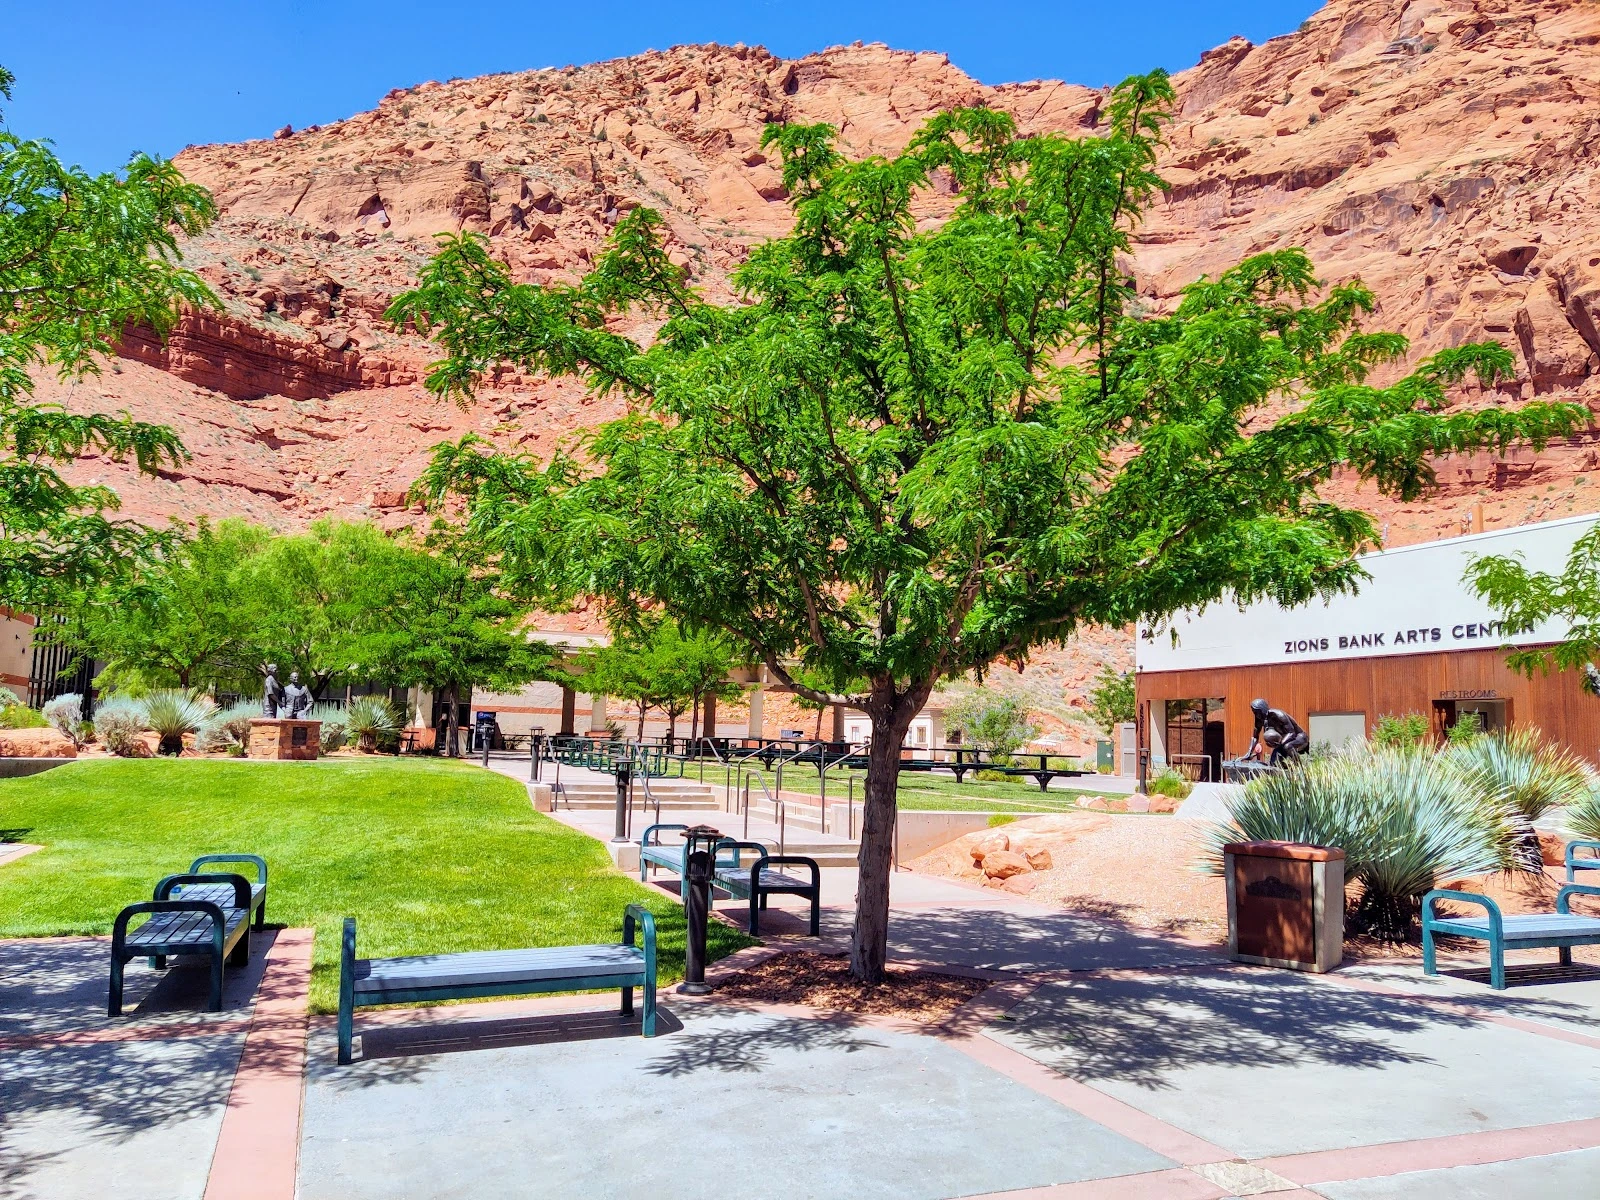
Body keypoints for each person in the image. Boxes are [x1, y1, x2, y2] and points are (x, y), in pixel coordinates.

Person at [1246, 698, 1309, 767]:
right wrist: (1249, 752)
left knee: (1287, 746)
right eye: (1254, 712)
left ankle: (1299, 768)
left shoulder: (1278, 715)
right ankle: (1289, 769)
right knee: (1274, 764)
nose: (1256, 714)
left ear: (1262, 709)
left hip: (1299, 737)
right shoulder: (1259, 719)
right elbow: (1255, 737)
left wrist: (1280, 744)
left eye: (1257, 712)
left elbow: (1291, 732)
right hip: (1284, 740)